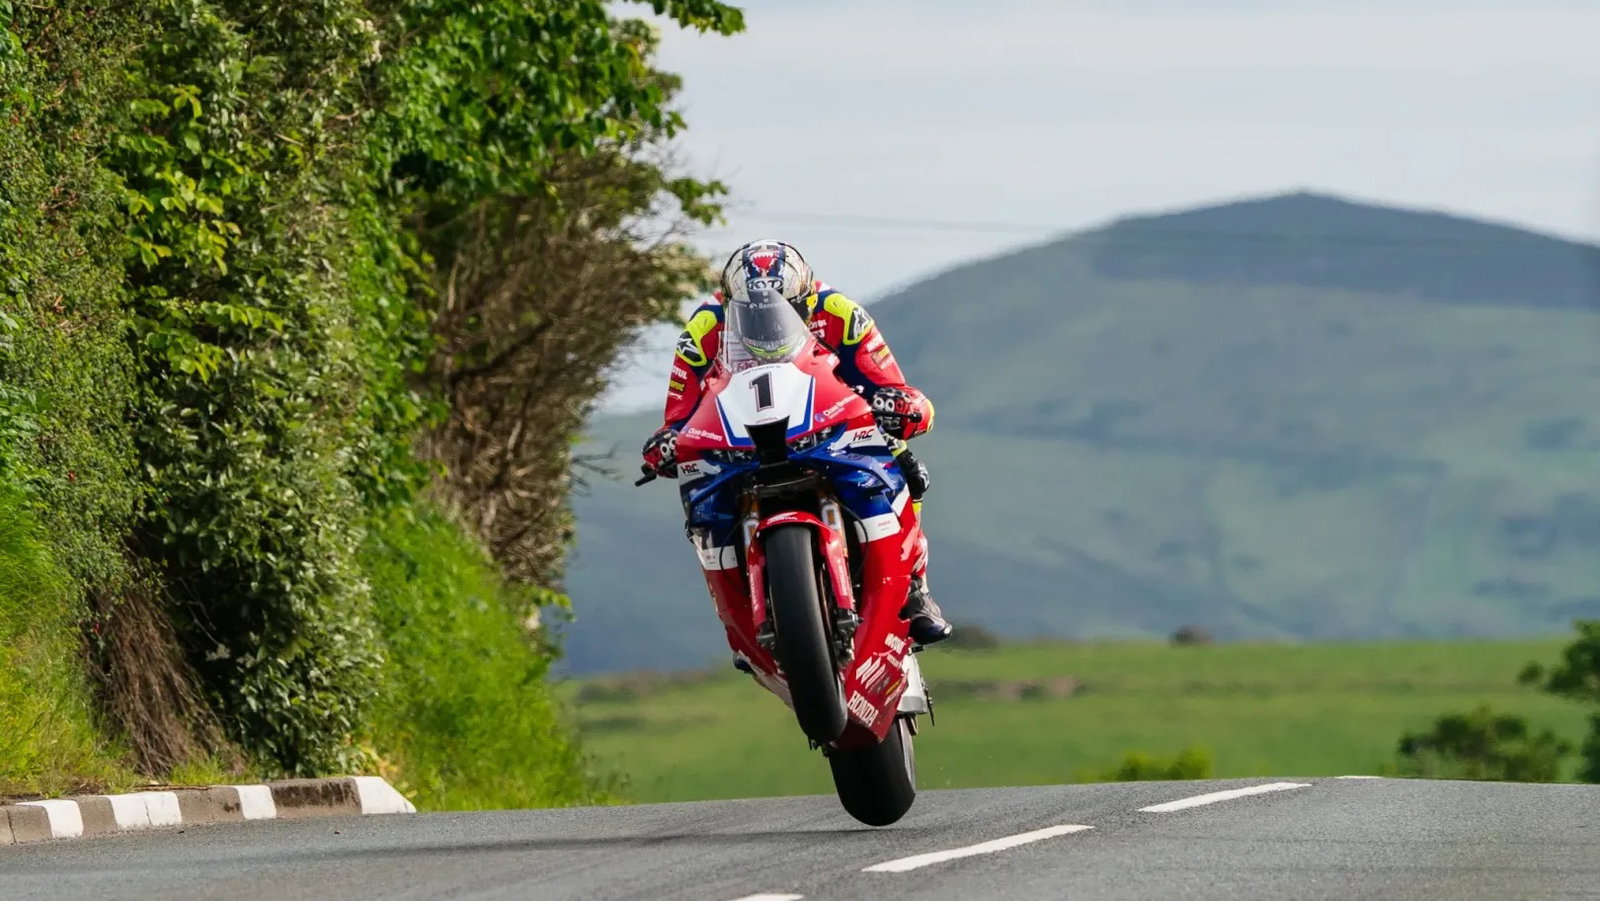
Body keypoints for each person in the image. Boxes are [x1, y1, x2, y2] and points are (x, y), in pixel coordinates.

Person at [641, 239, 951, 645]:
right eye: (752, 313)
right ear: (732, 304)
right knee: (704, 507)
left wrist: (900, 405)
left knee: (905, 467)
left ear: (805, 298)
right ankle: (738, 618)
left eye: (783, 308)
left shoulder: (840, 312)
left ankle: (915, 586)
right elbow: (679, 411)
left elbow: (888, 382)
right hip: (742, 437)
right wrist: (668, 441)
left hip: (827, 421)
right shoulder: (704, 326)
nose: (767, 324)